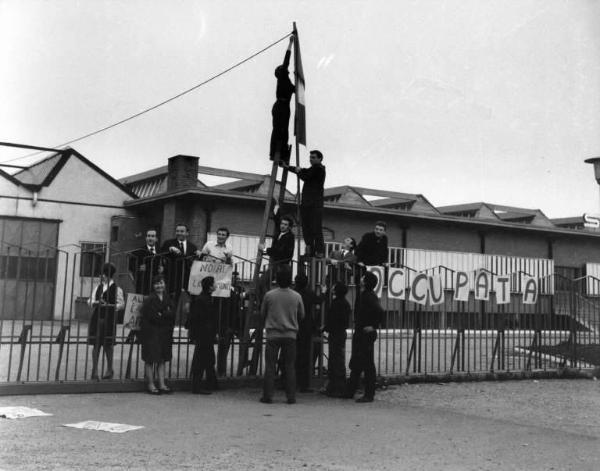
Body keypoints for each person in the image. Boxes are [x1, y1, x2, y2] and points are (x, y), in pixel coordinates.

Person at [260, 266, 305, 404]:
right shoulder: (297, 296)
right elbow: (302, 315)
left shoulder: (269, 295)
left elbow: (263, 313)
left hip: (273, 334)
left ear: (276, 280)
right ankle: (291, 397)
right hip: (290, 335)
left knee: (270, 366)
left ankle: (268, 396)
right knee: (290, 366)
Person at [345, 272, 384, 403]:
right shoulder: (366, 295)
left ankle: (369, 393)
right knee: (357, 362)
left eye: (363, 278)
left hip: (365, 334)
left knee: (367, 364)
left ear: (366, 282)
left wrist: (373, 326)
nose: (360, 278)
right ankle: (350, 390)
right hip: (362, 332)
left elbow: (380, 311)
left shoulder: (368, 296)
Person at [285, 150, 326, 257]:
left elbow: (306, 176)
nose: (311, 159)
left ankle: (319, 251)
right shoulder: (312, 169)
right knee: (307, 228)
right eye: (310, 157)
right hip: (307, 204)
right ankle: (310, 250)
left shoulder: (319, 169)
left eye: (313, 157)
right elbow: (303, 171)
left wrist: (298, 171)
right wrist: (288, 167)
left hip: (315, 204)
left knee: (316, 227)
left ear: (320, 159)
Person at [87, 262, 124, 380]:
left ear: (110, 275)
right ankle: (95, 370)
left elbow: (121, 304)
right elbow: (90, 300)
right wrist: (95, 303)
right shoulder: (98, 287)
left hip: (109, 319)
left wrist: (110, 305)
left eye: (105, 274)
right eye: (101, 274)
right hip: (97, 318)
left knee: (108, 345)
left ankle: (109, 369)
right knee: (96, 344)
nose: (102, 276)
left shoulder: (117, 289)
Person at [140, 275, 175, 395]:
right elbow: (151, 317)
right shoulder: (149, 299)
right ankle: (150, 384)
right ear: (153, 286)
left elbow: (172, 315)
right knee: (150, 359)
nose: (159, 286)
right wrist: (164, 314)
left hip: (165, 333)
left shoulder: (168, 298)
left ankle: (162, 384)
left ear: (164, 284)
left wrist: (162, 314)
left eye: (161, 283)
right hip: (151, 333)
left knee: (162, 360)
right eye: (156, 284)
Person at [160, 223, 200, 317]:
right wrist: (170, 249)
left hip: (187, 278)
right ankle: (169, 323)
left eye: (182, 231)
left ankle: (190, 322)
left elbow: (195, 262)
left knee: (194, 299)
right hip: (173, 277)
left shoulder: (192, 246)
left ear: (187, 233)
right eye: (177, 231)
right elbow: (161, 253)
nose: (179, 233)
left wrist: (199, 254)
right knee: (172, 302)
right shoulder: (169, 243)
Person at [188, 276, 219, 394]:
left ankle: (211, 383)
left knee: (209, 359)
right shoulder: (201, 300)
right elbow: (198, 319)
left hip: (206, 335)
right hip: (203, 335)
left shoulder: (207, 298)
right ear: (210, 286)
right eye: (214, 283)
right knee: (200, 360)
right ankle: (197, 386)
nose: (216, 285)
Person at [293, 273, 321, 392]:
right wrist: (324, 292)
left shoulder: (292, 293)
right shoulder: (309, 293)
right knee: (305, 355)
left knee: (291, 356)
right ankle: (303, 384)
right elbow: (319, 300)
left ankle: (289, 382)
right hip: (306, 327)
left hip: (292, 326)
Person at [323, 282, 351, 397]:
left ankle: (336, 387)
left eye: (334, 287)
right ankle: (336, 387)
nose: (332, 288)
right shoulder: (346, 303)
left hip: (335, 333)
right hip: (340, 333)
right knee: (338, 359)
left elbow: (332, 319)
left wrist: (325, 328)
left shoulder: (336, 303)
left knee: (335, 359)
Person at [269, 35, 295, 163]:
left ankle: (282, 155)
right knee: (278, 130)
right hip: (280, 106)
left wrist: (298, 77)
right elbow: (286, 60)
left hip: (286, 107)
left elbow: (298, 90)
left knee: (284, 132)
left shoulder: (288, 82)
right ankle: (274, 153)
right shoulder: (282, 78)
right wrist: (290, 44)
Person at [129, 229, 163, 295]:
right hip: (143, 284)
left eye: (152, 236)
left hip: (157, 283)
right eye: (148, 236)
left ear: (156, 239)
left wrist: (163, 268)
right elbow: (131, 266)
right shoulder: (138, 251)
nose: (150, 238)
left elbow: (165, 264)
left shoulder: (161, 251)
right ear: (146, 238)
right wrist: (139, 267)